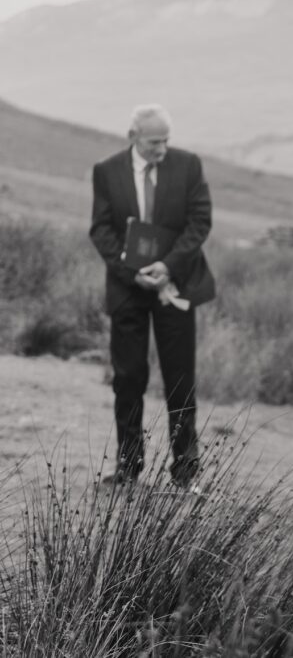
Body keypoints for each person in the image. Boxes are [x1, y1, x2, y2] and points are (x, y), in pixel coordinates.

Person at [89, 104, 215, 487]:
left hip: (174, 286)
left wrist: (168, 267)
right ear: (133, 138)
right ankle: (128, 467)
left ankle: (186, 469)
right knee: (128, 377)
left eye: (166, 141)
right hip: (128, 288)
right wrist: (132, 273)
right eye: (154, 142)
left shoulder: (188, 165)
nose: (162, 148)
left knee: (180, 377)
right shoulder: (107, 171)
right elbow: (101, 230)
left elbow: (199, 222)